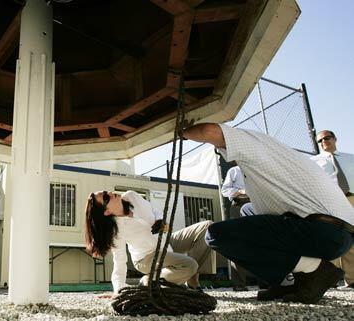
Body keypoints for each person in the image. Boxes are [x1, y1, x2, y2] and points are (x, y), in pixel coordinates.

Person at [181, 123, 354, 304]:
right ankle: (289, 282)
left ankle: (316, 270)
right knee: (248, 211)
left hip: (322, 231)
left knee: (216, 235)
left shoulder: (252, 143)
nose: (221, 150)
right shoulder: (279, 159)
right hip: (340, 236)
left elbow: (209, 131)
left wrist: (181, 132)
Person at [84, 190, 213, 295]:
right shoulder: (116, 230)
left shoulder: (132, 196)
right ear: (106, 212)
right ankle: (148, 281)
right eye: (106, 198)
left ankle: (191, 280)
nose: (111, 193)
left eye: (107, 192)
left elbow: (154, 210)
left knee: (208, 227)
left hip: (165, 242)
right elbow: (119, 262)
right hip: (146, 257)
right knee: (190, 265)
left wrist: (161, 221)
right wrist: (118, 290)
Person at [310, 129, 354, 288]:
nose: (323, 142)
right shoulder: (313, 162)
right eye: (320, 141)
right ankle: (331, 279)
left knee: (352, 237)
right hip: (331, 201)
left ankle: (352, 279)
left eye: (326, 138)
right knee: (332, 237)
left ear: (335, 138)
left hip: (351, 199)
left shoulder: (351, 158)